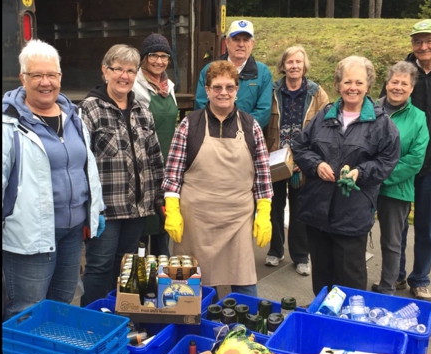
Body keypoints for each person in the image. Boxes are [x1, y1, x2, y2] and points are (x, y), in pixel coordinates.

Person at [2, 39, 105, 320]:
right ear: (23, 78)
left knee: (62, 303)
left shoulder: (74, 116)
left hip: (71, 233)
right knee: (28, 309)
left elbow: (87, 167)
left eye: (52, 75)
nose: (45, 82)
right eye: (37, 75)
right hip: (28, 237)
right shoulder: (8, 124)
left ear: (60, 77)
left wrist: (94, 210)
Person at [162, 60, 273, 298]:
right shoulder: (189, 124)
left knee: (244, 283)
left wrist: (264, 213)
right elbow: (172, 174)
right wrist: (172, 210)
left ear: (237, 90)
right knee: (192, 287)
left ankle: (246, 331)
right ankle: (193, 328)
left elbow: (263, 177)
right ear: (208, 89)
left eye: (230, 87)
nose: (224, 93)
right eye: (217, 87)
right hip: (196, 220)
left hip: (238, 218)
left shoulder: (251, 125)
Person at [292, 55, 400, 296]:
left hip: (353, 212)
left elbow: (387, 160)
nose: (353, 87)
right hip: (317, 209)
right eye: (347, 82)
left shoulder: (382, 123)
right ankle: (323, 318)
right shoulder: (324, 115)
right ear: (338, 85)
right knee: (322, 276)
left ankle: (350, 325)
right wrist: (316, 164)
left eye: (359, 83)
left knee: (350, 278)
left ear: (368, 86)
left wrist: (360, 173)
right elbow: (300, 146)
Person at [79, 44, 165, 307]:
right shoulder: (90, 110)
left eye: (130, 70)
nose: (124, 76)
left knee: (127, 268)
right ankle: (93, 319)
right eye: (118, 69)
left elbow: (154, 157)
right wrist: (89, 207)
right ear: (105, 71)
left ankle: (121, 316)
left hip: (137, 210)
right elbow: (82, 162)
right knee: (99, 267)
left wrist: (160, 198)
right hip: (106, 211)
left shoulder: (142, 110)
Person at [381, 19, 431, 301]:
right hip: (400, 163)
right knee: (397, 224)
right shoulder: (405, 71)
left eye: (428, 40)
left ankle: (420, 278)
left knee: (427, 223)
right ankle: (395, 274)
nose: (422, 46)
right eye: (417, 41)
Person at [263, 45, 329, 276]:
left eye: (298, 62)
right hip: (275, 159)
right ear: (283, 65)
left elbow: (325, 127)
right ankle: (275, 250)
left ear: (304, 66)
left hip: (303, 161)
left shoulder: (316, 93)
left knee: (301, 209)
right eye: (289, 62)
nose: (294, 66)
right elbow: (262, 122)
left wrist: (310, 157)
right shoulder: (271, 91)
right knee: (274, 206)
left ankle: (301, 256)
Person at [371, 61, 429, 295]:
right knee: (353, 235)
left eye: (404, 83)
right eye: (394, 81)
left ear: (412, 88)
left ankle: (387, 288)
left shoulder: (418, 118)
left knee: (392, 242)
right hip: (363, 185)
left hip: (396, 189)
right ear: (387, 83)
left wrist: (378, 176)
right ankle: (352, 282)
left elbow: (415, 159)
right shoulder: (370, 108)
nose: (398, 87)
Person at [132, 33, 178, 257]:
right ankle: (138, 283)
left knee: (163, 227)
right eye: (153, 55)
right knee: (141, 230)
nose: (159, 61)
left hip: (167, 165)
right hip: (144, 168)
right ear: (144, 58)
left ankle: (163, 281)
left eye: (164, 56)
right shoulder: (135, 86)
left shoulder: (169, 86)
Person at [194, 19, 272, 129]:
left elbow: (263, 111)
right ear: (227, 42)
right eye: (236, 39)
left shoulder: (263, 73)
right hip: (213, 134)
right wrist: (220, 127)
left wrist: (239, 127)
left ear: (252, 44)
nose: (241, 44)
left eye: (246, 40)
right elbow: (201, 105)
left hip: (248, 136)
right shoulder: (209, 70)